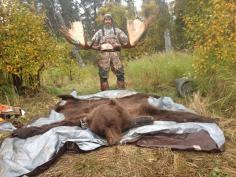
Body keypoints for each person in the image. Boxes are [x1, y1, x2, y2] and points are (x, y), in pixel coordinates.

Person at [90, 13, 129, 91]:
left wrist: (118, 45)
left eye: (109, 19)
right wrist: (98, 47)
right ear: (104, 21)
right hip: (103, 56)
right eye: (106, 20)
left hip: (115, 55)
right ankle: (105, 94)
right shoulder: (99, 32)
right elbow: (92, 42)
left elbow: (126, 40)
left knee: (120, 74)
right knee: (103, 76)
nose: (108, 21)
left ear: (111, 21)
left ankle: (121, 92)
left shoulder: (117, 31)